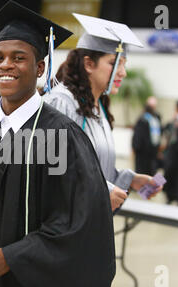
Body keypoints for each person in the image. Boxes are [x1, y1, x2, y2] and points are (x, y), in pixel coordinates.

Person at [0, 0, 115, 287]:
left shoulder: (62, 136)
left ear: (40, 67)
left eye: (19, 58)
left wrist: (13, 257)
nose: (5, 65)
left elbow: (76, 223)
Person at [44, 13, 162, 213]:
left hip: (89, 222)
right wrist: (102, 190)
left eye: (124, 63)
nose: (122, 72)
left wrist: (130, 179)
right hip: (62, 226)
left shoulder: (98, 109)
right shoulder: (61, 102)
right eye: (114, 63)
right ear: (89, 64)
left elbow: (96, 169)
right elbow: (51, 169)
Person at [132, 96, 162, 175]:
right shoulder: (154, 118)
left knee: (144, 174)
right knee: (152, 173)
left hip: (145, 153)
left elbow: (137, 137)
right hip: (150, 151)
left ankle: (156, 186)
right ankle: (157, 186)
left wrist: (135, 148)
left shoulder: (144, 119)